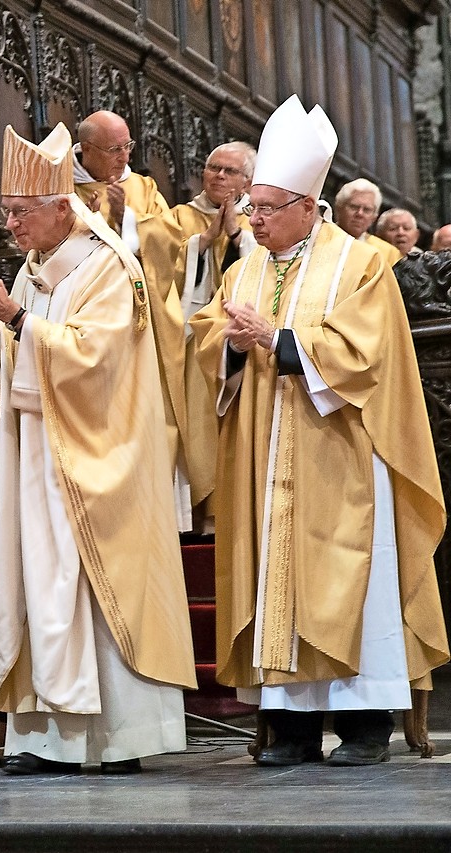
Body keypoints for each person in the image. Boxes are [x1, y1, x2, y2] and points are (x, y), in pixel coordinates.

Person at [190, 95, 449, 767]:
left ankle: (364, 727)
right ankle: (293, 728)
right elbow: (208, 340)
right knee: (277, 578)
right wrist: (227, 341)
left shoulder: (360, 264)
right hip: (265, 452)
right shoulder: (243, 267)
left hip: (343, 455)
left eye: (269, 208)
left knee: (348, 578)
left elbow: (369, 350)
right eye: (252, 206)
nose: (256, 219)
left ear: (310, 206)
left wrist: (276, 341)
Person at [0, 124, 195, 776]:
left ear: (62, 207)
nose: (11, 224)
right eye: (5, 212)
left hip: (99, 459)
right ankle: (47, 736)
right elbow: (20, 358)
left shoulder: (110, 265)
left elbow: (96, 359)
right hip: (41, 458)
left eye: (20, 212)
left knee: (93, 585)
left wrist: (18, 323)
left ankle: (117, 738)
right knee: (42, 581)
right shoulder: (32, 272)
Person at [138, 141, 258, 530]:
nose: (219, 176)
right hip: (191, 341)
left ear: (249, 180)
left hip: (242, 340)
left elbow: (264, 270)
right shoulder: (177, 216)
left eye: (230, 171)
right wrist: (203, 242)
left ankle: (238, 509)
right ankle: (200, 515)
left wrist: (237, 235)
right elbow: (157, 274)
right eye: (213, 168)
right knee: (197, 426)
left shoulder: (262, 217)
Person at [71, 110, 169, 255]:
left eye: (128, 146)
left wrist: (125, 218)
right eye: (115, 149)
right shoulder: (64, 189)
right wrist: (84, 226)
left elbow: (169, 237)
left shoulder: (144, 187)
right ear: (87, 149)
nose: (125, 158)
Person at [334, 178, 402, 266]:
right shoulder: (320, 237)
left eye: (367, 210)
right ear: (339, 208)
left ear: (374, 217)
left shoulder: (389, 254)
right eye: (354, 207)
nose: (360, 214)